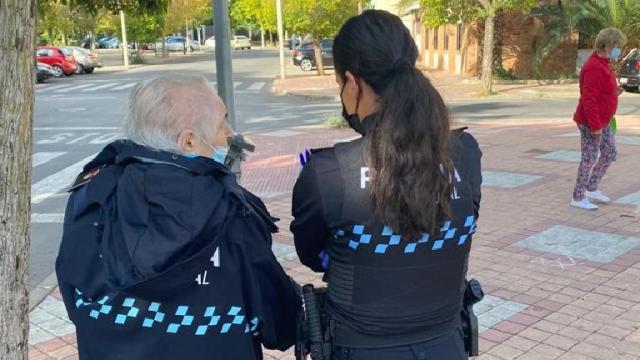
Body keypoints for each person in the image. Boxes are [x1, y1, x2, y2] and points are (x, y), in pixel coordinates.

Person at [56, 74, 301, 360]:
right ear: (188, 142)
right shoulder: (234, 213)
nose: (231, 133)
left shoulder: (90, 197)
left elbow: (75, 299)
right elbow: (279, 324)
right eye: (222, 123)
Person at [290, 10, 482, 360]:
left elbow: (314, 257)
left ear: (352, 82)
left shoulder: (328, 172)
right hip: (446, 346)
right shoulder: (465, 153)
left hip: (360, 349)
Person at [571, 27, 627, 210]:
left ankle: (591, 188)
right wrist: (595, 126)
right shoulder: (594, 67)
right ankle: (578, 198)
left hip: (604, 120)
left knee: (610, 153)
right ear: (608, 45)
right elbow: (589, 99)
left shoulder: (604, 63)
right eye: (618, 46)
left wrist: (614, 91)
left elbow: (601, 92)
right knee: (589, 158)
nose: (620, 50)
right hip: (591, 122)